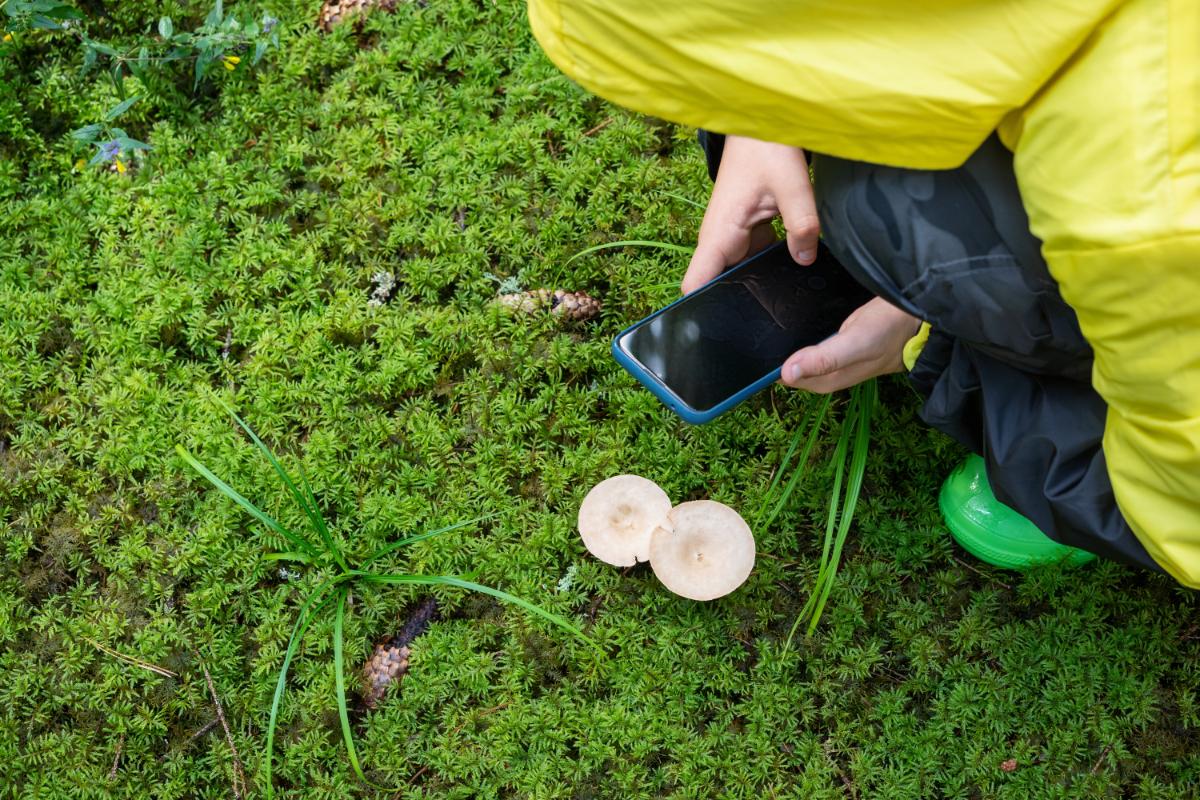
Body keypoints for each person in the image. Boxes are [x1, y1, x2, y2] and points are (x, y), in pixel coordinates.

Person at [526, 0, 1200, 583]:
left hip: (1165, 310)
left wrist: (932, 349)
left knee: (875, 210)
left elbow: (1185, 517)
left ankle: (1068, 396)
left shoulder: (1154, 218)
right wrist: (762, 122)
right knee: (870, 201)